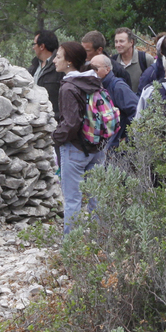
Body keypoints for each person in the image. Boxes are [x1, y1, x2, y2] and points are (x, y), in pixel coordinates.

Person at [52, 41, 105, 233]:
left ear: (69, 62)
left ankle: (71, 249)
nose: (54, 60)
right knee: (96, 197)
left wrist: (55, 136)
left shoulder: (68, 87)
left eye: (58, 56)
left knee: (73, 200)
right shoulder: (92, 80)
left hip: (75, 148)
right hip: (97, 146)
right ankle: (101, 241)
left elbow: (71, 123)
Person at [91, 54, 138, 149]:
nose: (92, 72)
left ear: (107, 69)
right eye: (90, 68)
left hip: (117, 147)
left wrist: (129, 139)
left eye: (96, 68)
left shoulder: (118, 87)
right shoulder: (97, 87)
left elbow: (136, 111)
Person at [27, 30, 64, 119]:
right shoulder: (33, 67)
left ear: (42, 46)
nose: (33, 48)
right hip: (36, 119)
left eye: (34, 44)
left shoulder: (60, 68)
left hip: (54, 120)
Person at [110, 27, 154, 93]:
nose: (118, 45)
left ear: (131, 42)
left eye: (121, 41)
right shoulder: (112, 62)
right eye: (116, 42)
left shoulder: (145, 60)